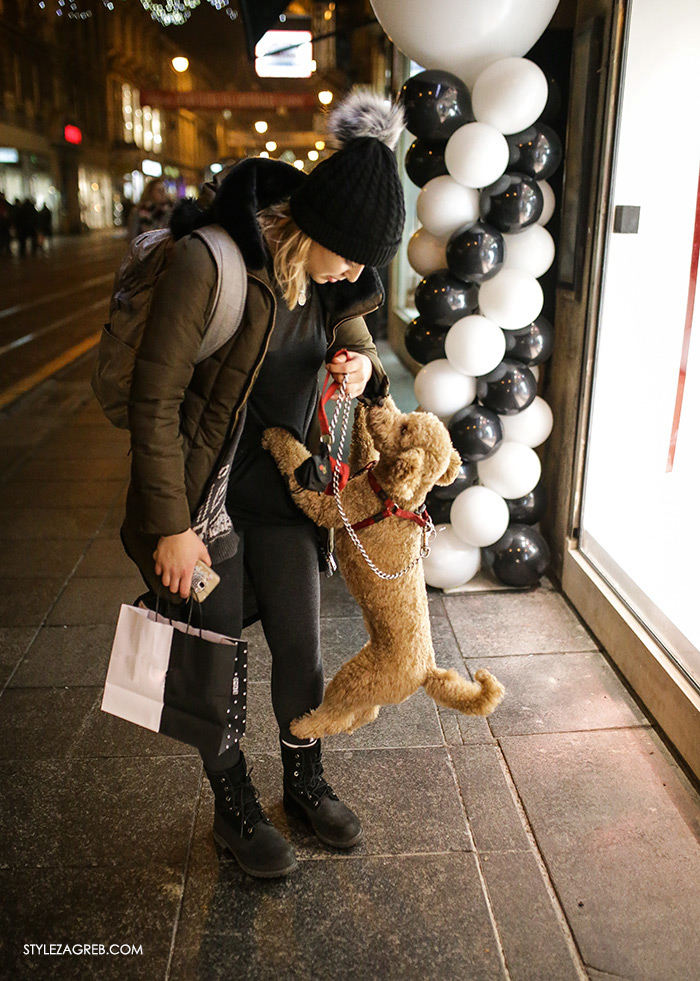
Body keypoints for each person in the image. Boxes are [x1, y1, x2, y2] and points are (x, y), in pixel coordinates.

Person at [120, 90, 406, 879]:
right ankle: (233, 804)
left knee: (302, 650)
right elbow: (155, 401)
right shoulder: (212, 265)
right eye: (348, 253)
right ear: (313, 227)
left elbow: (366, 360)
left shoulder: (337, 285)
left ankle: (304, 777)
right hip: (205, 504)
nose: (355, 272)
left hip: (287, 498)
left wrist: (360, 371)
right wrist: (171, 525)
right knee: (213, 664)